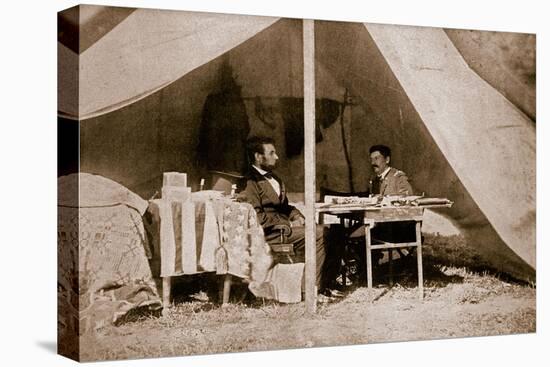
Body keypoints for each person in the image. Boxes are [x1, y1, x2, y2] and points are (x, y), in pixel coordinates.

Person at [240, 136, 343, 299]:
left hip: (283, 229)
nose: (277, 157)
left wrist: (297, 215)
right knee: (320, 235)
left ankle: (326, 284)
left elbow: (285, 207)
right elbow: (256, 216)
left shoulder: (275, 179)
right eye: (272, 153)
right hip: (270, 234)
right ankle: (309, 291)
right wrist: (288, 224)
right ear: (258, 157)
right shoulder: (249, 182)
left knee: (336, 232)